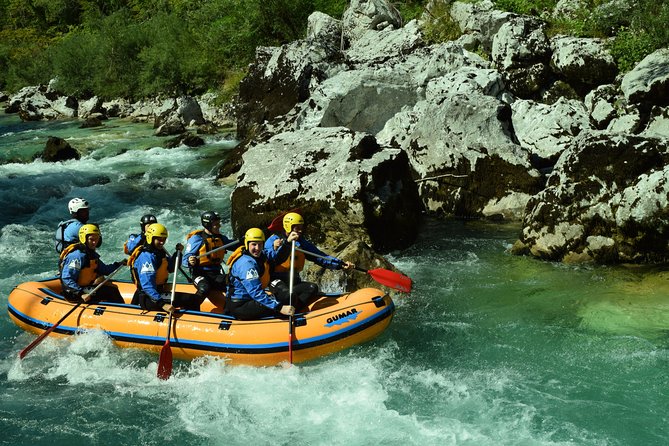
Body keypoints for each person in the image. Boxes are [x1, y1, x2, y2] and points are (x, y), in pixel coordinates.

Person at [265, 212, 354, 308]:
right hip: (275, 281)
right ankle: (280, 310)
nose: (300, 231)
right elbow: (273, 260)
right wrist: (286, 243)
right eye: (297, 228)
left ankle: (297, 310)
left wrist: (340, 264)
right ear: (288, 227)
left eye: (301, 228)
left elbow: (319, 257)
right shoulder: (273, 241)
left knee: (313, 288)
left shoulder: (301, 243)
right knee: (287, 295)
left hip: (293, 281)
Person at [129, 223, 203, 313]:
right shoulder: (147, 257)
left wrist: (178, 253)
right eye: (159, 239)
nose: (162, 242)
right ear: (150, 238)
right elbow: (147, 286)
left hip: (159, 293)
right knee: (192, 299)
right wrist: (163, 304)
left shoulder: (158, 253)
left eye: (164, 239)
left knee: (192, 299)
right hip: (150, 299)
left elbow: (171, 268)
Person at [225, 228, 295, 320]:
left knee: (289, 297)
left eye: (260, 244)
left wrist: (288, 242)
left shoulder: (261, 255)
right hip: (241, 305)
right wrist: (280, 308)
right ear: (247, 244)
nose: (257, 248)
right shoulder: (246, 265)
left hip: (251, 299)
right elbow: (256, 292)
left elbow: (277, 257)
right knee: (284, 300)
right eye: (254, 244)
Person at [59, 224, 125, 304]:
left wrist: (119, 264)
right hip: (73, 292)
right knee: (111, 292)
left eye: (96, 239)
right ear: (84, 239)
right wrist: (81, 293)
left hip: (84, 288)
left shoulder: (90, 254)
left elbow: (105, 270)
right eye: (91, 239)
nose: (94, 242)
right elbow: (67, 278)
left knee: (112, 288)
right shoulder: (77, 256)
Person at [182, 211, 235, 306]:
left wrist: (246, 241)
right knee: (204, 288)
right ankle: (192, 308)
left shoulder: (221, 238)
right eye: (216, 224)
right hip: (200, 274)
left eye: (219, 223)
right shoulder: (196, 239)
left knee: (234, 281)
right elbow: (185, 260)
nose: (219, 226)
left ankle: (231, 307)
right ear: (208, 225)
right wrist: (190, 261)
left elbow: (234, 245)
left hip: (216, 275)